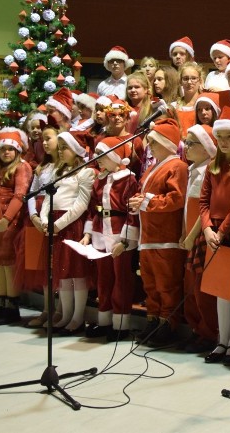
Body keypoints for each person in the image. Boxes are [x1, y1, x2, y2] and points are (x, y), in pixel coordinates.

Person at [191, 110, 230, 366]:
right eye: (220, 137)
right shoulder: (213, 167)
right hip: (212, 229)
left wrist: (222, 230)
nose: (224, 141)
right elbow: (203, 201)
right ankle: (221, 340)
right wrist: (206, 229)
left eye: (229, 137)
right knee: (218, 288)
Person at [129, 118, 188, 348]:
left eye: (153, 141)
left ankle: (167, 325)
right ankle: (153, 321)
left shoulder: (177, 166)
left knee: (166, 284)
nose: (149, 145)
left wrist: (146, 202)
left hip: (165, 237)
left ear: (166, 142)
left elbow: (176, 199)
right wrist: (138, 202)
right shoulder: (155, 167)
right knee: (151, 285)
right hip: (149, 236)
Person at [81, 137, 140, 342]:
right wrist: (88, 233)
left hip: (119, 233)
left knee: (121, 279)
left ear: (115, 158)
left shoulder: (129, 179)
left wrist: (124, 241)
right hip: (100, 233)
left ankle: (121, 323)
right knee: (103, 279)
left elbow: (132, 212)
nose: (98, 159)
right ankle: (104, 319)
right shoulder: (100, 179)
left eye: (103, 155)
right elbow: (93, 209)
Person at [38, 131, 96, 335]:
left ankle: (78, 317)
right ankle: (65, 315)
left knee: (76, 273)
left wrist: (58, 224)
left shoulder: (86, 172)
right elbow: (47, 198)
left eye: (65, 148)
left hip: (71, 225)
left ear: (77, 150)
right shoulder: (58, 171)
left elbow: (81, 205)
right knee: (61, 273)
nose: (61, 151)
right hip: (55, 225)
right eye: (60, 147)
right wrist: (45, 220)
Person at [0, 128, 33, 325]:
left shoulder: (21, 168)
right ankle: (1, 306)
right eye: (3, 149)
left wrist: (6, 219)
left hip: (10, 224)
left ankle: (12, 309)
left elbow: (20, 195)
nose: (6, 153)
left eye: (11, 149)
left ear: (18, 151)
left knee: (9, 265)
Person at [180, 125, 220, 354]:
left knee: (202, 288)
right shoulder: (193, 169)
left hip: (200, 236)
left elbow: (204, 208)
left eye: (191, 143)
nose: (186, 147)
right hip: (190, 236)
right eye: (186, 142)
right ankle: (197, 329)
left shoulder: (208, 171)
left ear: (206, 148)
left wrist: (192, 234)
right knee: (192, 286)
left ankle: (208, 332)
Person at [23, 125, 60, 327]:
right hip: (40, 220)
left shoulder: (65, 167)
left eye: (48, 138)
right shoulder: (41, 168)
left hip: (56, 218)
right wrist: (34, 216)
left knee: (57, 266)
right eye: (42, 140)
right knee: (44, 268)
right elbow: (31, 193)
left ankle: (60, 310)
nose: (44, 143)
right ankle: (47, 309)